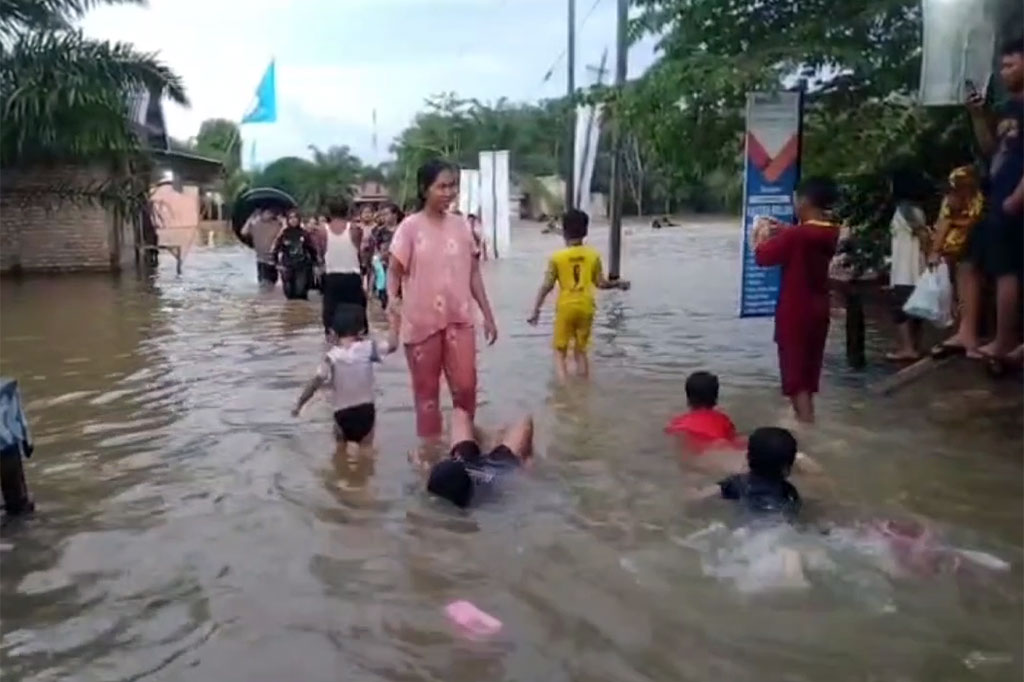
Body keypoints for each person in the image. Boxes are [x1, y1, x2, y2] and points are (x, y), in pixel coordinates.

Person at [387, 159, 498, 448]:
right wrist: (393, 304)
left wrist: (488, 314)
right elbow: (394, 270)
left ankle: (465, 446)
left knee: (466, 387)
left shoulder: (462, 226)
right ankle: (431, 453)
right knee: (426, 397)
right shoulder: (409, 228)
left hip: (459, 320)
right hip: (421, 324)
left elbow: (473, 273)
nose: (449, 192)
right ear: (425, 189)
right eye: (442, 186)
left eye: (453, 186)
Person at [936, 37, 1024, 360]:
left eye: (1010, 65)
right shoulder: (1007, 109)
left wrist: (1016, 199)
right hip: (993, 197)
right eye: (1002, 66)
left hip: (1013, 201)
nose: (1003, 72)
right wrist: (977, 115)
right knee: (969, 258)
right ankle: (967, 330)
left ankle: (1004, 341)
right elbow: (991, 150)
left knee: (1006, 270)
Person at [753, 177, 841, 423]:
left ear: (804, 201)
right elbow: (803, 236)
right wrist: (785, 230)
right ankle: (807, 417)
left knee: (795, 377)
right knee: (809, 372)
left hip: (795, 310)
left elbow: (763, 257)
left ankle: (806, 429)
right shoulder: (831, 231)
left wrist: (760, 235)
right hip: (819, 308)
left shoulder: (799, 236)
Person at [526, 209, 630, 380]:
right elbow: (600, 283)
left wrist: (536, 310)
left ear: (564, 232)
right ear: (586, 231)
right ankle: (584, 387)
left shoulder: (557, 257)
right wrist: (618, 284)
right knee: (581, 351)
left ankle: (564, 390)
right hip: (586, 306)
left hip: (566, 307)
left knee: (560, 351)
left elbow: (547, 286)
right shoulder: (593, 255)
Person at [292, 304, 398, 450]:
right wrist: (394, 321)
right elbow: (393, 345)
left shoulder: (332, 357)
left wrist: (299, 404)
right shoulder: (370, 348)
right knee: (367, 455)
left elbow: (316, 381)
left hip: (342, 414)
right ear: (361, 330)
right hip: (366, 411)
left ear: (333, 332)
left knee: (339, 455)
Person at [425, 408, 534, 509]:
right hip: (497, 468)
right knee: (525, 424)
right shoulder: (489, 497)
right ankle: (490, 441)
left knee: (459, 414)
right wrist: (526, 466)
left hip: (464, 464)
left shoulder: (444, 482)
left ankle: (482, 438)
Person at [686, 427, 801, 520]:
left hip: (747, 532)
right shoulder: (789, 492)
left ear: (747, 457)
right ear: (787, 468)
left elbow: (699, 496)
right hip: (778, 529)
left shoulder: (738, 483)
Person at [884, 171, 931, 362]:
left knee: (900, 308)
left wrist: (930, 256)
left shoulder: (905, 209)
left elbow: (922, 234)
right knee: (915, 308)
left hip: (906, 268)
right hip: (915, 267)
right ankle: (914, 346)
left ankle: (907, 347)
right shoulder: (916, 208)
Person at [927, 166, 984, 313]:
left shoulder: (953, 200)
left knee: (955, 290)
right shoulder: (978, 198)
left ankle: (960, 322)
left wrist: (935, 251)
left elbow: (943, 225)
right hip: (971, 248)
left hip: (954, 249)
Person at [321, 197, 367, 337]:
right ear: (347, 211)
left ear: (328, 211)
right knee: (358, 321)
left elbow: (320, 254)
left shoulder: (322, 231)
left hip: (332, 278)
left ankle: (331, 351)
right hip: (352, 277)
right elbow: (360, 253)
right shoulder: (354, 229)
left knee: (330, 321)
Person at [664, 371, 742, 451]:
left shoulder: (678, 422)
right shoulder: (723, 420)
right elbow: (734, 439)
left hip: (692, 445)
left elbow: (669, 433)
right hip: (718, 448)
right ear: (715, 397)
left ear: (688, 397)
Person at [273, 209, 318, 300]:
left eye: (295, 218)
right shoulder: (284, 234)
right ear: (288, 220)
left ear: (299, 219)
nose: (293, 220)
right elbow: (276, 250)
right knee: (289, 293)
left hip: (302, 266)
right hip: (287, 266)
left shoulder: (304, 233)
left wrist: (316, 264)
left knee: (300, 291)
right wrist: (277, 264)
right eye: (291, 218)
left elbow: (312, 249)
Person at [241, 208, 284, 285]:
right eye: (267, 212)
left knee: (274, 283)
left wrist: (283, 221)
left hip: (274, 260)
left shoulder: (277, 224)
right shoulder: (255, 225)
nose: (270, 214)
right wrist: (249, 220)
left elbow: (286, 232)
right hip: (261, 260)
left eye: (271, 213)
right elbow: (243, 232)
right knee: (264, 283)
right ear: (261, 213)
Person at [371, 243, 388, 310]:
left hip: (388, 286)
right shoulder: (376, 261)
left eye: (386, 250)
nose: (385, 252)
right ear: (380, 251)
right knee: (382, 298)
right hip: (380, 285)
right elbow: (373, 274)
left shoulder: (391, 260)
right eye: (383, 250)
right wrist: (371, 288)